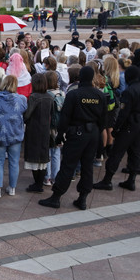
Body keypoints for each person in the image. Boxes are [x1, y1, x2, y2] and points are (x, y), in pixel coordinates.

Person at [39, 66, 107, 210]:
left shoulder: (74, 94)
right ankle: (82, 198)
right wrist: (96, 133)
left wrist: (60, 136)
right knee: (87, 167)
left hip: (77, 133)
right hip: (93, 133)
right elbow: (103, 119)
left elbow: (65, 118)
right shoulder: (100, 95)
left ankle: (56, 197)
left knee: (68, 165)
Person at [94, 66, 140, 191]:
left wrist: (116, 128)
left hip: (128, 125)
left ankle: (107, 180)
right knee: (135, 152)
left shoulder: (129, 92)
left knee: (116, 152)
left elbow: (123, 113)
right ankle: (132, 179)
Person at [0, 75, 28, 198]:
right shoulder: (21, 99)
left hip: (0, 133)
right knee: (14, 162)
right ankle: (12, 188)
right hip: (16, 133)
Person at [23, 74, 52, 193]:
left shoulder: (34, 97)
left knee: (34, 157)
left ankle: (37, 184)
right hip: (45, 129)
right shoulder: (50, 97)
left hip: (33, 130)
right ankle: (39, 183)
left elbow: (27, 115)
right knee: (43, 157)